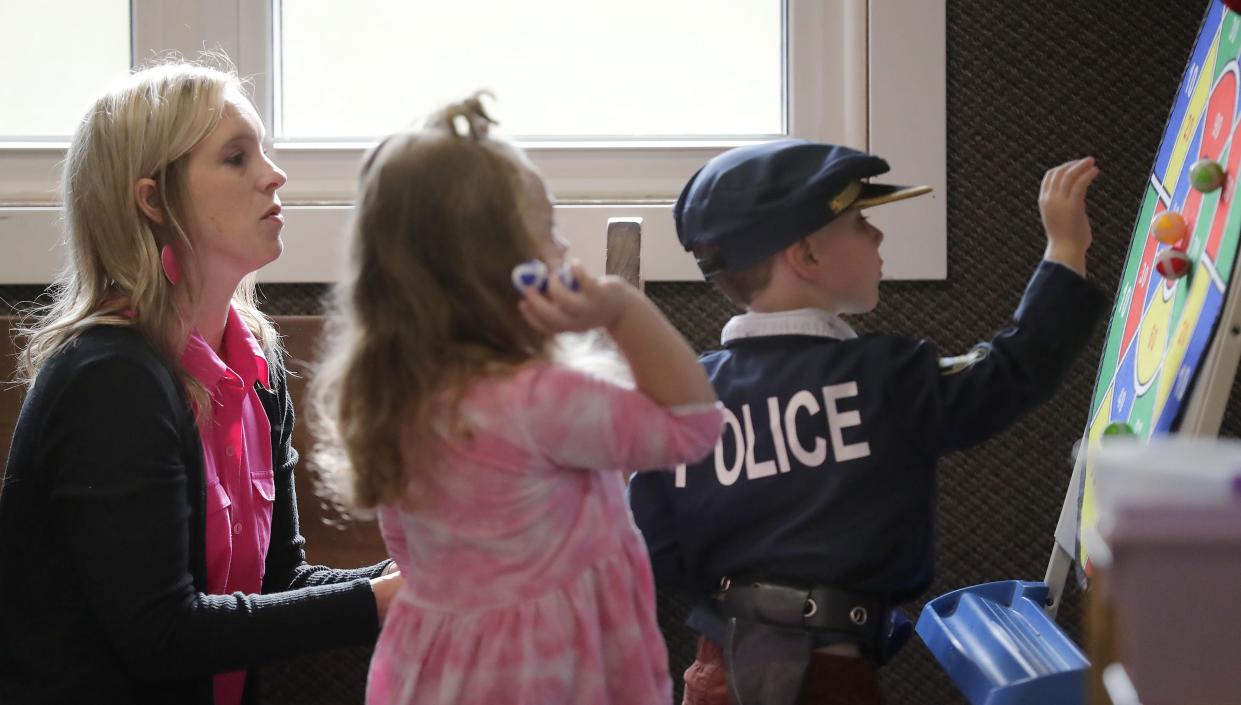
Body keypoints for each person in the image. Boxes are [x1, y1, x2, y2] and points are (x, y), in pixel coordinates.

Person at [626, 140, 1108, 705]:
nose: (877, 236)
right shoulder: (888, 377)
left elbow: (644, 538)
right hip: (826, 679)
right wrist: (1065, 249)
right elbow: (1010, 371)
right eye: (861, 223)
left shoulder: (681, 399)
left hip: (718, 669)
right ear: (807, 256)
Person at [0, 60, 402, 705]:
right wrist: (381, 599)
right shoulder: (109, 379)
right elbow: (163, 637)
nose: (274, 174)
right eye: (237, 158)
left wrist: (413, 577)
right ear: (153, 200)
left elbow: (277, 585)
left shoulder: (258, 364)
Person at [307, 95, 724, 705]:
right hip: (553, 676)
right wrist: (622, 309)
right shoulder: (542, 401)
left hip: (432, 673)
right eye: (550, 231)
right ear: (500, 268)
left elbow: (405, 550)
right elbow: (693, 427)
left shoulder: (389, 399)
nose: (565, 252)